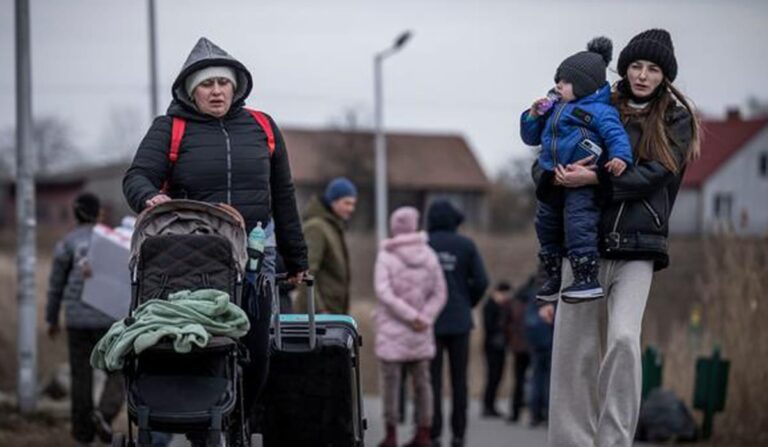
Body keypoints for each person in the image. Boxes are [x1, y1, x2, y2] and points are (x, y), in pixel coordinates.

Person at [122, 37, 309, 417]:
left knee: (257, 346)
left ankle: (240, 417)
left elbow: (283, 195)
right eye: (207, 84)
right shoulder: (169, 128)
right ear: (192, 91)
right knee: (203, 343)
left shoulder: (262, 126)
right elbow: (137, 176)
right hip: (193, 252)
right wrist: (148, 198)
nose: (217, 91)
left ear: (235, 85)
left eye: (223, 82)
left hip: (257, 253)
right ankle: (201, 423)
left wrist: (297, 257)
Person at [535, 29, 700, 447]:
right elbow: (547, 150)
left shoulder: (676, 120)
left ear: (665, 75)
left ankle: (614, 440)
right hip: (583, 243)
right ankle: (572, 441)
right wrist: (556, 176)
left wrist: (594, 179)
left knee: (624, 339)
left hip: (638, 248)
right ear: (624, 67)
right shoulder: (593, 99)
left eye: (654, 68)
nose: (643, 75)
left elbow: (654, 175)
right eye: (636, 65)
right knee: (575, 352)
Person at [521, 37, 633, 303]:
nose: (558, 86)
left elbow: (617, 137)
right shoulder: (554, 108)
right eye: (557, 80)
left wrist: (620, 158)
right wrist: (533, 116)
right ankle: (553, 276)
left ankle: (586, 277)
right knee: (545, 225)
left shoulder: (600, 111)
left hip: (582, 182)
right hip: (553, 179)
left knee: (578, 225)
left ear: (583, 85)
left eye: (565, 82)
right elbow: (530, 138)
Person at [46, 192, 125, 447]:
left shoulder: (66, 243)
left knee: (81, 376)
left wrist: (52, 318)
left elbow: (56, 285)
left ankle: (83, 435)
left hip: (77, 319)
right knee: (119, 368)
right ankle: (104, 412)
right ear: (99, 212)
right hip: (108, 318)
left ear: (76, 213)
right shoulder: (113, 240)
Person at [374, 207, 447, 447]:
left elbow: (383, 291)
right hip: (420, 330)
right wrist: (423, 317)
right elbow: (440, 292)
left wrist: (407, 315)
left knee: (391, 385)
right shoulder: (429, 255)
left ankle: (391, 434)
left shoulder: (386, 255)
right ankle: (424, 433)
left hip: (391, 330)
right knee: (423, 384)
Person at [426, 200, 489, 447]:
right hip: (460, 321)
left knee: (432, 380)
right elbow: (482, 281)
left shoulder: (424, 245)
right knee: (459, 379)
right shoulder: (466, 245)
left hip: (429, 322)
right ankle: (459, 434)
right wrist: (467, 303)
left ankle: (433, 433)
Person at [296, 176, 357, 314]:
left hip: (332, 314)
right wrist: (319, 310)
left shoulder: (333, 227)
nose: (351, 209)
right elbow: (307, 273)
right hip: (317, 318)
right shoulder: (316, 228)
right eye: (347, 203)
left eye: (353, 204)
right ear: (333, 201)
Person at [520, 271, 553, 427]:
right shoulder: (549, 295)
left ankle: (534, 413)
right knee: (549, 379)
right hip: (549, 340)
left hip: (535, 342)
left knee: (536, 377)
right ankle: (547, 412)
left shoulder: (531, 296)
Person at [480, 281, 511, 418]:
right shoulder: (490, 305)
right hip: (492, 346)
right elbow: (490, 326)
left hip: (500, 346)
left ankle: (491, 405)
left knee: (498, 377)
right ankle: (487, 405)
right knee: (492, 377)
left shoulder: (503, 306)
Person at [504, 280, 530, 423]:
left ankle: (515, 412)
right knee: (539, 378)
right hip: (535, 344)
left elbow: (506, 324)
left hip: (518, 346)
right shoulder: (537, 299)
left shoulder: (514, 304)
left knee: (518, 380)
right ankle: (537, 412)